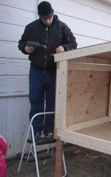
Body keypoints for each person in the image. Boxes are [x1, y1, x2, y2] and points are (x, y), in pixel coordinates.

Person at [18, 1, 77, 139]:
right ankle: (36, 131)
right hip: (36, 71)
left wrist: (64, 48)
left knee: (52, 102)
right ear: (40, 16)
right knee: (35, 100)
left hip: (53, 71)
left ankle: (49, 130)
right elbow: (21, 43)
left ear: (53, 13)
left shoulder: (62, 27)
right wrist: (26, 48)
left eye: (50, 17)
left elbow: (74, 43)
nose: (48, 20)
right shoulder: (31, 28)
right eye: (45, 19)